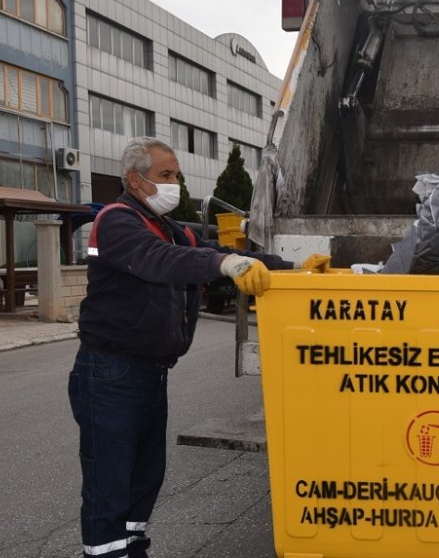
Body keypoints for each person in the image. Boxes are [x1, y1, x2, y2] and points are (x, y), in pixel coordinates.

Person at [69, 137, 329, 558]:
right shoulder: (118, 222)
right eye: (165, 176)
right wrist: (224, 266)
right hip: (111, 371)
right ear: (135, 180)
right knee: (111, 479)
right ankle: (105, 552)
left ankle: (132, 549)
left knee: (143, 476)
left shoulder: (166, 227)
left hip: (148, 370)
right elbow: (160, 260)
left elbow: (215, 249)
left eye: (177, 175)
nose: (175, 184)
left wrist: (293, 266)